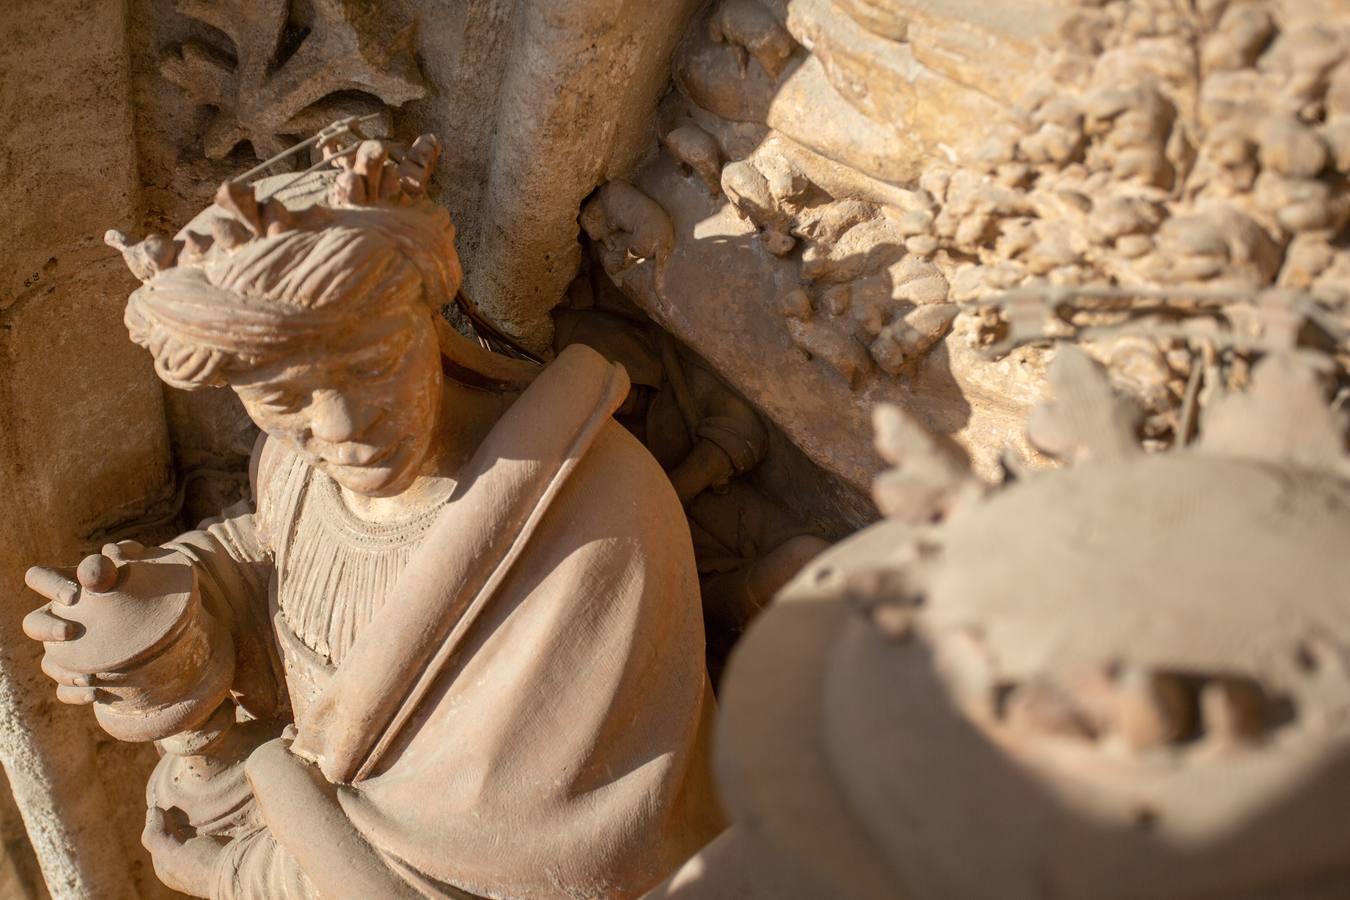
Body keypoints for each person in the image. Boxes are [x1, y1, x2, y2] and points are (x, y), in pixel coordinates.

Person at [22, 136, 722, 899]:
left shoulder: (599, 526)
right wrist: (162, 598)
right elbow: (280, 563)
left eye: (372, 365)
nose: (341, 426)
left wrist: (232, 873)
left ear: (430, 316)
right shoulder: (293, 467)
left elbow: (507, 874)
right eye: (283, 398)